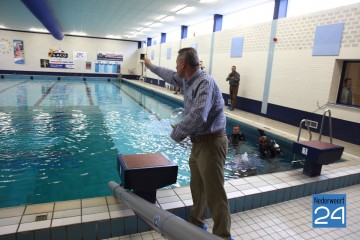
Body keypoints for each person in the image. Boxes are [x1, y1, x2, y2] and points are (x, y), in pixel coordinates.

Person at [144, 47, 233, 240]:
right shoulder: (187, 80)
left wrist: (177, 133)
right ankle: (196, 224)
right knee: (197, 187)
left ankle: (223, 235)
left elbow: (199, 114)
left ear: (183, 64)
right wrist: (150, 66)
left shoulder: (205, 82)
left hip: (212, 143)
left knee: (215, 193)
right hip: (199, 143)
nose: (175, 67)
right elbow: (167, 74)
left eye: (177, 63)